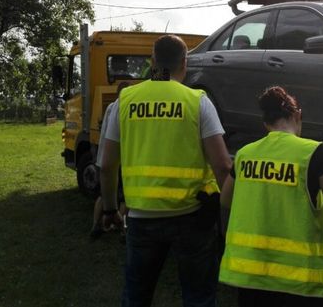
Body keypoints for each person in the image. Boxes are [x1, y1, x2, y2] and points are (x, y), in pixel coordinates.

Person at [100, 34, 232, 307]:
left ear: (153, 61)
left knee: (137, 295)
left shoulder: (126, 100)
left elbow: (108, 164)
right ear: (185, 62)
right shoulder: (197, 100)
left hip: (141, 217)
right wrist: (228, 218)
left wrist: (110, 209)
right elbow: (222, 165)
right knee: (198, 297)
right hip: (193, 217)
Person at [219, 86, 323, 307]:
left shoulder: (245, 154)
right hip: (298, 280)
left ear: (266, 124)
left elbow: (225, 200)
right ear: (297, 115)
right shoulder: (314, 152)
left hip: (251, 275)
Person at [90, 82, 129, 239]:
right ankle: (122, 230)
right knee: (124, 198)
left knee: (102, 194)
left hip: (103, 156)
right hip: (117, 159)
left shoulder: (110, 107)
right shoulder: (122, 106)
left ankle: (95, 226)